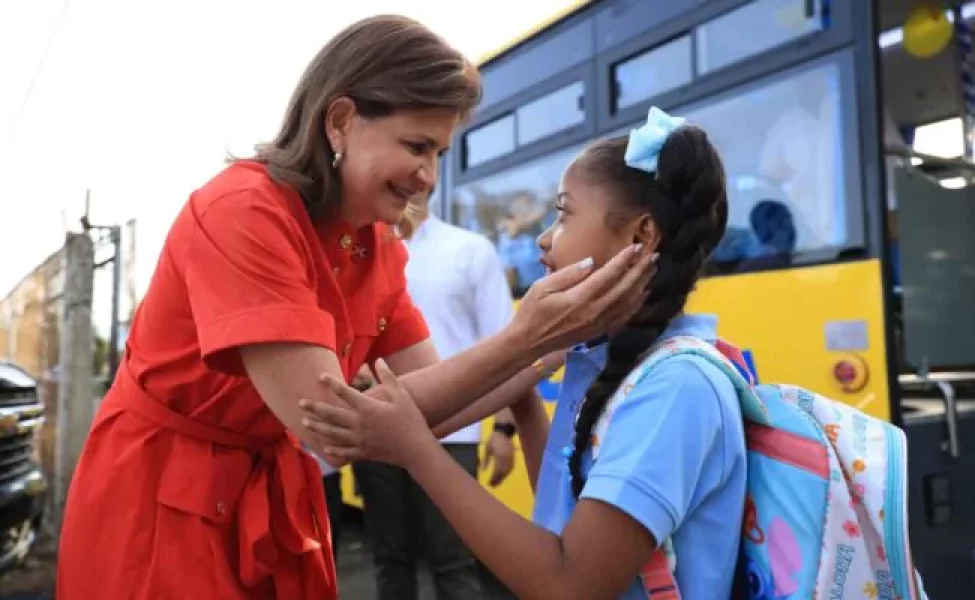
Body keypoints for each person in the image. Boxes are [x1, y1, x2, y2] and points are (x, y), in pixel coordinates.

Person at [54, 15, 656, 600]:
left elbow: (436, 404)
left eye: (441, 152)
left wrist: (557, 338)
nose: (429, 177)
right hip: (161, 503)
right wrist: (530, 338)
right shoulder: (243, 211)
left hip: (265, 495)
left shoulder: (374, 249)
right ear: (340, 121)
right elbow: (326, 420)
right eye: (417, 146)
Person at [301, 107, 745, 600]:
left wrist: (418, 452)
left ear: (640, 236)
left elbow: (569, 582)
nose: (542, 238)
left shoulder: (676, 386)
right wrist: (524, 398)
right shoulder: (602, 358)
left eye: (564, 213)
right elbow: (562, 515)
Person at [353, 188, 519, 600]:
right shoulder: (358, 252)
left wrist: (504, 429)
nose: (417, 169)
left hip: (452, 432)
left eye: (428, 152)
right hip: (378, 430)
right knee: (390, 560)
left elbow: (502, 341)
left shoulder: (469, 249)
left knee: (454, 562)